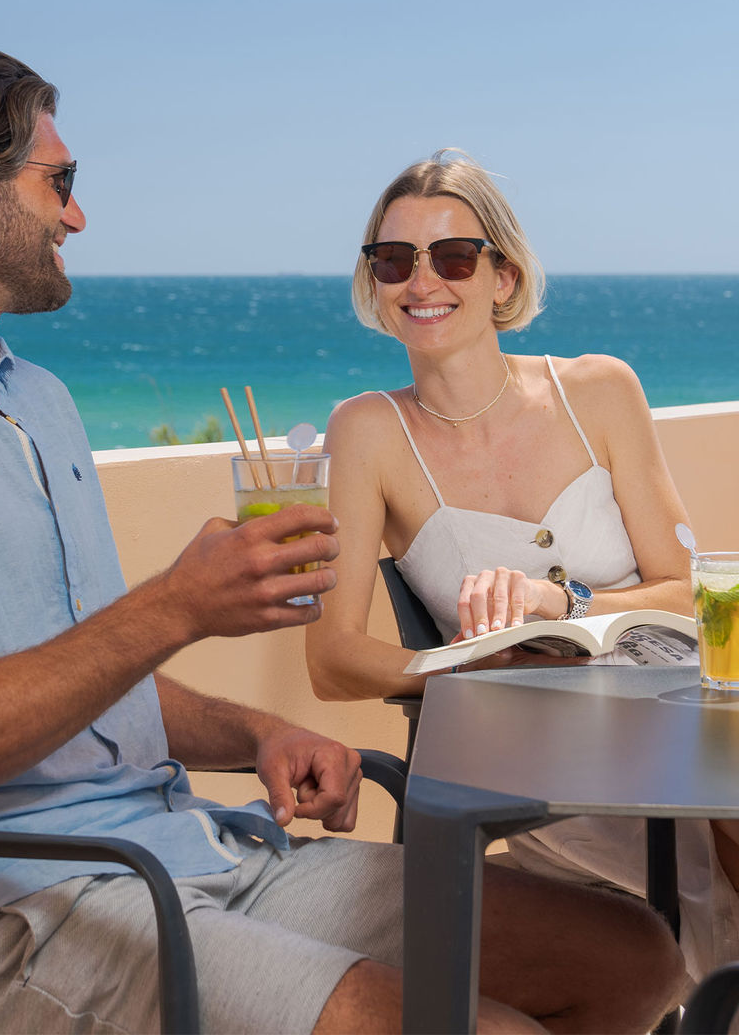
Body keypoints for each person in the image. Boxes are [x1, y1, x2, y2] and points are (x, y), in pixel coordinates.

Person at [0, 52, 683, 1034]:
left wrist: (254, 733)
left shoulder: (33, 402)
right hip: (26, 917)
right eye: (57, 183)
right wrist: (173, 605)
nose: (75, 215)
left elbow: (70, 676)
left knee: (625, 956)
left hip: (189, 850)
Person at [306, 148, 739, 980]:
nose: (422, 281)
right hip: (538, 758)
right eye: (394, 260)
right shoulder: (366, 431)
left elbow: (690, 593)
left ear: (502, 277)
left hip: (680, 716)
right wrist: (470, 667)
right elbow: (332, 658)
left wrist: (557, 603)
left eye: (454, 256)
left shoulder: (601, 390)